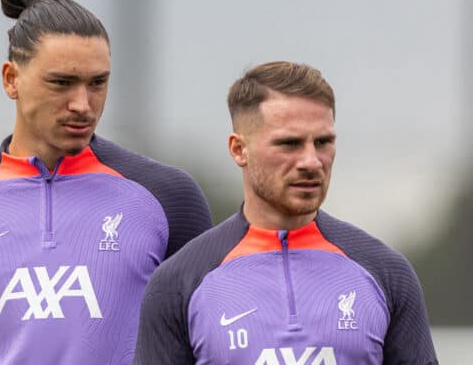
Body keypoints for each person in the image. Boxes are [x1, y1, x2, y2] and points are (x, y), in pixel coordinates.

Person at [0, 0, 212, 365]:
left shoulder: (169, 199)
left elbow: (210, 349)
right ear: (11, 79)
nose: (82, 105)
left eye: (97, 83)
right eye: (61, 83)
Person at [134, 61, 438, 364]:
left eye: (323, 142)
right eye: (289, 143)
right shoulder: (178, 284)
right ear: (239, 149)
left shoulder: (387, 274)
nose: (311, 161)